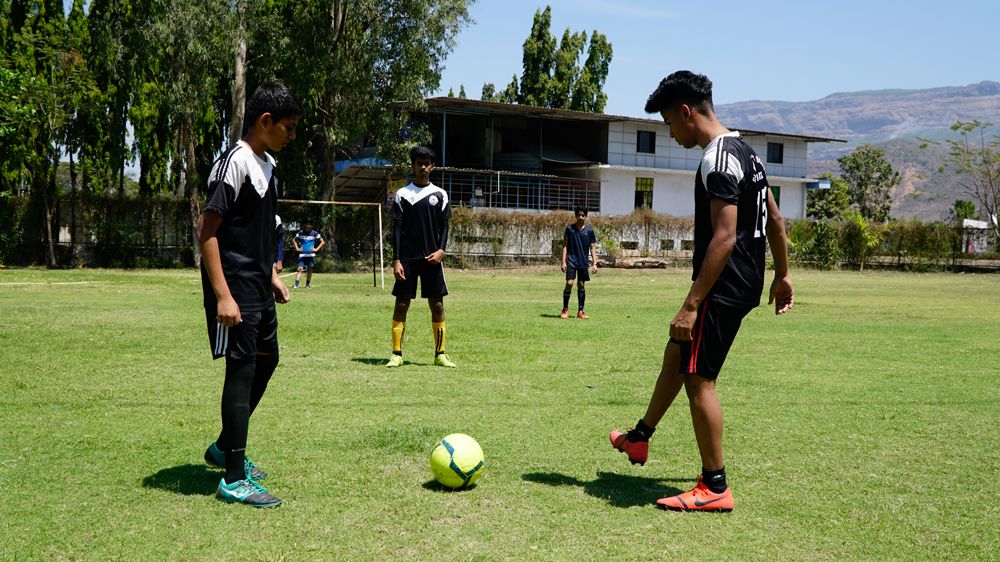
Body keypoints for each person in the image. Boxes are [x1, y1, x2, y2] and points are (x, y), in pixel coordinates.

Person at [609, 71, 794, 512]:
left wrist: (692, 303)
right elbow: (777, 221)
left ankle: (715, 486)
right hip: (745, 279)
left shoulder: (717, 158)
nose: (670, 132)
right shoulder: (748, 153)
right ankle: (641, 436)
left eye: (670, 122)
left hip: (724, 282)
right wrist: (783, 275)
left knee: (699, 379)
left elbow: (725, 236)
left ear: (687, 112)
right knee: (679, 351)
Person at [198, 81, 302, 508]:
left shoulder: (268, 164)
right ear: (265, 122)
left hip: (258, 283)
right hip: (234, 289)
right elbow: (208, 232)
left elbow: (257, 229)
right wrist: (223, 295)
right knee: (240, 373)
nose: (292, 136)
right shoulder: (234, 163)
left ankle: (225, 445)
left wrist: (273, 276)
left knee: (268, 359)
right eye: (288, 128)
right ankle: (233, 477)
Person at [385, 146, 456, 368]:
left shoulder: (440, 194)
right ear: (413, 165)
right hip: (407, 259)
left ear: (432, 166)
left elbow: (444, 226)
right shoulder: (402, 194)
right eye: (419, 163)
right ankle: (396, 354)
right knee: (402, 304)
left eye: (427, 163)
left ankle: (440, 354)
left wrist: (441, 251)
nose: (423, 167)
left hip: (432, 258)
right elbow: (396, 229)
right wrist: (396, 260)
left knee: (436, 305)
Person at [560, 207, 597, 319]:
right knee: (569, 283)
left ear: (585, 216)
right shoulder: (570, 229)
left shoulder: (589, 231)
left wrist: (595, 263)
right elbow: (565, 246)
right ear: (575, 216)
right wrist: (563, 262)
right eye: (579, 215)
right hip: (571, 260)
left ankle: (580, 312)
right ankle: (565, 309)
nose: (581, 217)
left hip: (583, 262)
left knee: (581, 284)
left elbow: (592, 247)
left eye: (583, 215)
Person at [292, 220, 324, 288]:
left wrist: (316, 249)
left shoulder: (315, 233)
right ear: (305, 225)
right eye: (307, 224)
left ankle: (307, 285)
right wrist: (297, 248)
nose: (308, 226)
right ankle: (296, 285)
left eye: (310, 224)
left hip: (310, 255)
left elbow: (322, 242)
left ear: (312, 226)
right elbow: (294, 240)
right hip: (302, 255)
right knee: (299, 268)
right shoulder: (300, 232)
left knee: (309, 269)